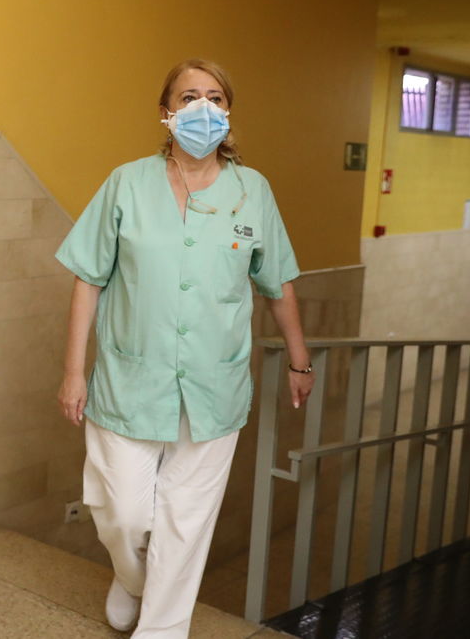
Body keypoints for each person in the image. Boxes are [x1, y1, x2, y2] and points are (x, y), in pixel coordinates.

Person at [54, 59, 314, 637]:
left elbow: (278, 284)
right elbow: (87, 279)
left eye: (215, 96)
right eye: (189, 95)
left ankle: (162, 628)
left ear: (228, 111)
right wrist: (75, 372)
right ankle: (132, 577)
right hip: (128, 378)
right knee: (121, 514)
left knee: (185, 521)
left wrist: (301, 360)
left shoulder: (253, 191)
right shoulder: (127, 182)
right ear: (166, 112)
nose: (204, 106)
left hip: (214, 383)